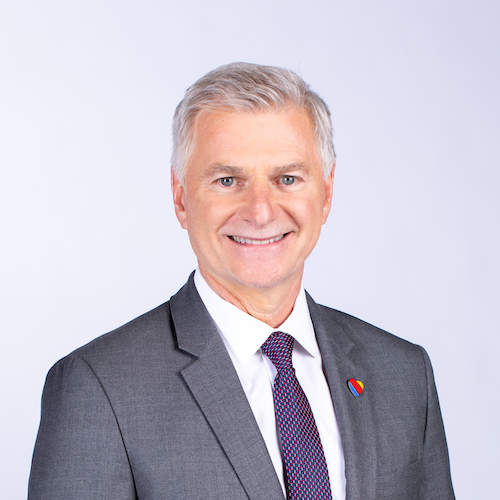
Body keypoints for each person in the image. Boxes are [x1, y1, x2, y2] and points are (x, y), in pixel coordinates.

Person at [28, 62, 455, 500]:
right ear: (180, 196)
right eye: (228, 180)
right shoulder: (100, 388)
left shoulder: (403, 373)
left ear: (326, 194)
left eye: (287, 178)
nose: (261, 211)